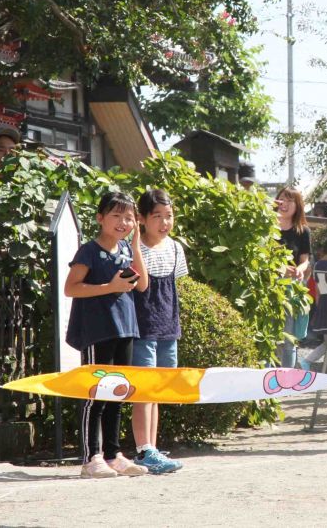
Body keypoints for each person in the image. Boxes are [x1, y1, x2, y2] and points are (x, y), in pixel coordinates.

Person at [63, 191, 148, 479]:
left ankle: (113, 454)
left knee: (117, 393)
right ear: (100, 218)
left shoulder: (125, 249)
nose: (123, 222)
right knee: (96, 395)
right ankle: (91, 458)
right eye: (116, 215)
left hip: (126, 328)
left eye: (129, 218)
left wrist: (135, 245)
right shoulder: (88, 251)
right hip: (97, 331)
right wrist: (109, 287)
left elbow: (142, 285)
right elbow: (71, 288)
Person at [130, 189, 186, 474]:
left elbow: (175, 287)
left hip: (168, 327)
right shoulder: (132, 248)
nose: (165, 222)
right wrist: (135, 246)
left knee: (157, 390)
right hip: (142, 328)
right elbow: (136, 286)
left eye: (169, 216)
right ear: (141, 218)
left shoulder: (175, 248)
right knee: (143, 390)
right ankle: (144, 449)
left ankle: (152, 447)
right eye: (157, 216)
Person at [275, 187, 311, 365]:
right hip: (270, 287)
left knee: (289, 339)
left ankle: (287, 378)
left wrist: (300, 269)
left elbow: (305, 260)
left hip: (291, 288)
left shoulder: (302, 231)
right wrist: (281, 268)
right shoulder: (267, 226)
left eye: (290, 200)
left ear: (298, 206)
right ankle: (266, 377)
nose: (285, 203)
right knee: (269, 337)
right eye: (282, 199)